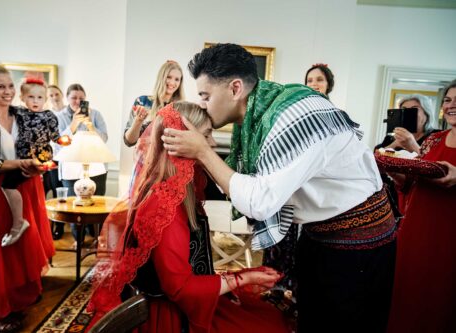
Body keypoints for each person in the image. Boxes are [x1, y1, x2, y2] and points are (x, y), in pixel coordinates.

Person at [162, 43, 396, 333]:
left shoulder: (295, 119)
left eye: (206, 96)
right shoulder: (257, 115)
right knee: (310, 317)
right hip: (318, 233)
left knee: (345, 322)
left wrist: (204, 153)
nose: (202, 105)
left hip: (358, 243)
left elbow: (260, 201)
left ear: (235, 89)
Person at [87, 102, 291, 333]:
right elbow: (180, 288)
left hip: (189, 303)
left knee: (269, 319)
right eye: (206, 135)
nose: (212, 143)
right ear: (179, 141)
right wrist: (244, 277)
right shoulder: (164, 206)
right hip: (172, 317)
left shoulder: (177, 193)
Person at [0, 57, 55, 333]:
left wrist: (41, 160)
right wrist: (24, 164)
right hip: (2, 191)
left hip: (28, 185)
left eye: (10, 86)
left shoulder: (20, 113)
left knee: (24, 246)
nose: (7, 91)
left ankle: (20, 297)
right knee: (1, 251)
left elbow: (43, 138)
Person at [387, 80, 456, 333]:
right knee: (409, 294)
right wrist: (396, 173)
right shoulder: (433, 141)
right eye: (448, 100)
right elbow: (412, 185)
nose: (451, 105)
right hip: (417, 230)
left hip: (449, 235)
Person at [0, 78, 60, 247]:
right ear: (23, 98)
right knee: (9, 184)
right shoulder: (19, 112)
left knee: (8, 185)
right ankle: (19, 222)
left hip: (41, 154)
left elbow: (55, 135)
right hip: (24, 155)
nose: (35, 101)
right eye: (31, 97)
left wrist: (62, 141)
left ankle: (18, 223)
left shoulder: (48, 115)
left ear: (45, 99)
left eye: (40, 98)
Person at [55, 83, 108, 245]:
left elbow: (104, 138)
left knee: (97, 205)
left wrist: (91, 126)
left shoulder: (96, 114)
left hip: (95, 166)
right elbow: (58, 143)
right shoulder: (59, 116)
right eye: (74, 98)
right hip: (70, 167)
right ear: (67, 98)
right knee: (74, 206)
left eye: (81, 98)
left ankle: (97, 239)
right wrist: (73, 125)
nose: (78, 101)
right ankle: (79, 240)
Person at [375, 94, 440, 214]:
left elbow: (436, 166)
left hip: (419, 198)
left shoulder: (436, 137)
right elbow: (372, 163)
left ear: (426, 115)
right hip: (388, 201)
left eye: (414, 109)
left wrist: (413, 145)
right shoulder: (389, 139)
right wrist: (395, 143)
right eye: (404, 110)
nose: (409, 113)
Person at [123, 60, 184, 147]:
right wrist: (138, 121)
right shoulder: (143, 102)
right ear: (161, 77)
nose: (172, 82)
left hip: (170, 159)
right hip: (144, 159)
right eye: (169, 77)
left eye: (177, 79)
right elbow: (129, 142)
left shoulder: (181, 108)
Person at [45, 84, 66, 239]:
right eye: (50, 95)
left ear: (61, 94)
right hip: (52, 160)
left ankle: (67, 223)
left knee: (66, 193)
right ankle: (57, 225)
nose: (54, 97)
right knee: (55, 192)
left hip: (68, 159)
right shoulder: (46, 114)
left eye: (56, 94)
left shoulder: (68, 112)